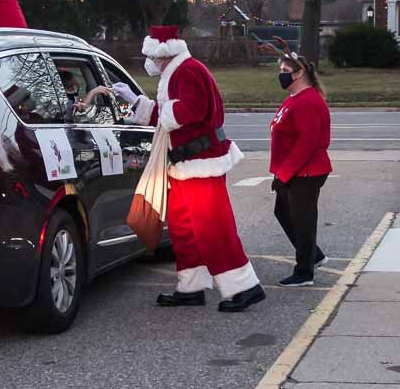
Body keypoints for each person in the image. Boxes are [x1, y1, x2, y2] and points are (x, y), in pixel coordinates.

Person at [113, 25, 265, 312]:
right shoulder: (180, 71)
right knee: (184, 227)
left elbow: (192, 110)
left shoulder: (187, 71)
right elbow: (169, 112)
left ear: (164, 53)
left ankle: (245, 286)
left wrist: (159, 110)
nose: (150, 62)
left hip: (200, 163)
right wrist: (136, 103)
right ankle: (191, 287)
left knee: (213, 228)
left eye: (152, 56)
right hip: (186, 163)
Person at [262, 38, 332, 287]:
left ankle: (304, 272)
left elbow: (307, 143)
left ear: (300, 72)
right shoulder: (294, 97)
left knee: (303, 220)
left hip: (306, 171)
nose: (281, 76)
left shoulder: (309, 101)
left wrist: (285, 174)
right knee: (283, 212)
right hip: (290, 170)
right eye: (280, 71)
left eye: (285, 71)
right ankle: (315, 255)